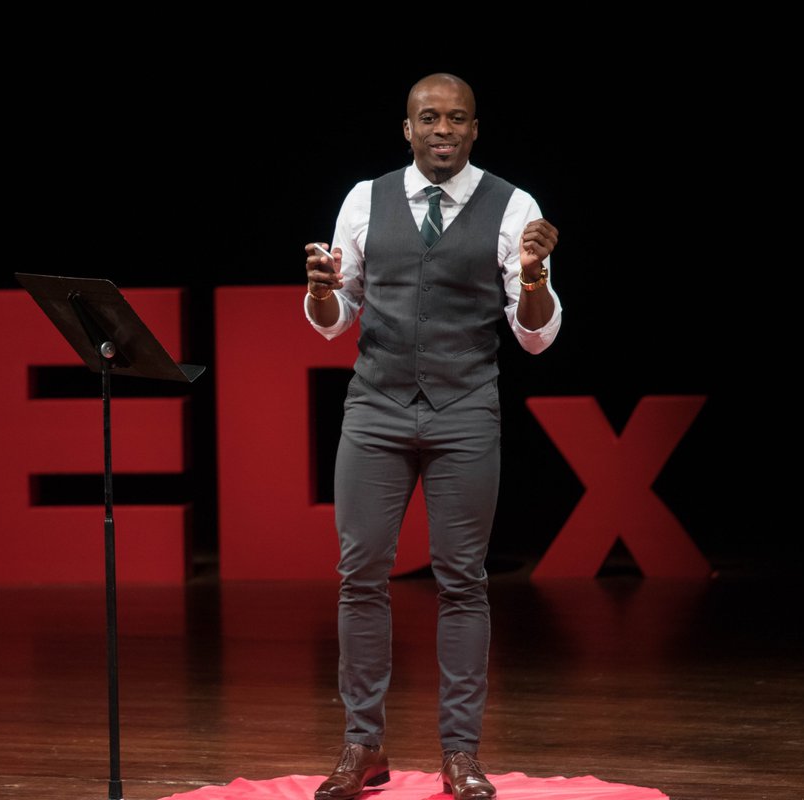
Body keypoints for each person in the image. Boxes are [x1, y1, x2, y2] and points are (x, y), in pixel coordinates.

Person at [303, 73, 562, 800]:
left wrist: (536, 276)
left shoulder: (515, 207)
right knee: (360, 576)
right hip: (377, 408)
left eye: (456, 118)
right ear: (407, 128)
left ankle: (460, 753)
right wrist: (323, 290)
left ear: (475, 129)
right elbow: (336, 317)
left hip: (464, 409)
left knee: (462, 580)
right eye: (429, 118)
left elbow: (535, 336)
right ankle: (363, 744)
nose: (442, 129)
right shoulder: (365, 198)